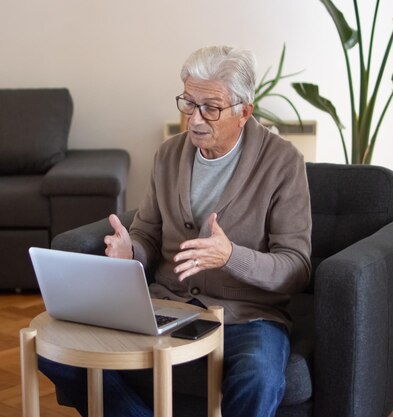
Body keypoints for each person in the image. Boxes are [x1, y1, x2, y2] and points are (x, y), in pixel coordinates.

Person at [39, 45, 312, 417]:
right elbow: (148, 235)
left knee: (259, 377)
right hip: (166, 305)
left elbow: (295, 267)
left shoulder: (282, 162)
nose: (195, 120)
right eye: (188, 103)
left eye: (210, 108)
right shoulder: (168, 155)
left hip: (247, 315)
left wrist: (231, 256)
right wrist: (129, 251)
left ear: (244, 111)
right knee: (58, 353)